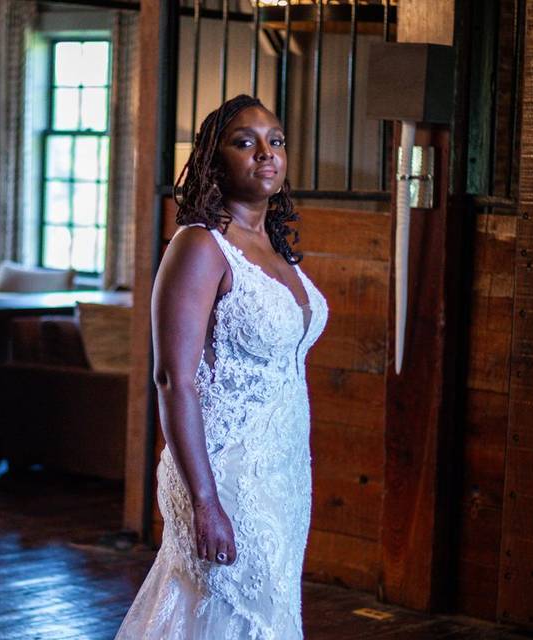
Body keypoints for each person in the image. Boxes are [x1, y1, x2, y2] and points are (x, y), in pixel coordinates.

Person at [114, 94, 328, 639]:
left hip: (284, 476)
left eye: (275, 141)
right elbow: (172, 379)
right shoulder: (199, 246)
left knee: (269, 615)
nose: (266, 153)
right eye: (245, 142)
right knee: (226, 616)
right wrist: (204, 502)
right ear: (215, 160)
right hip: (224, 474)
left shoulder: (279, 252)